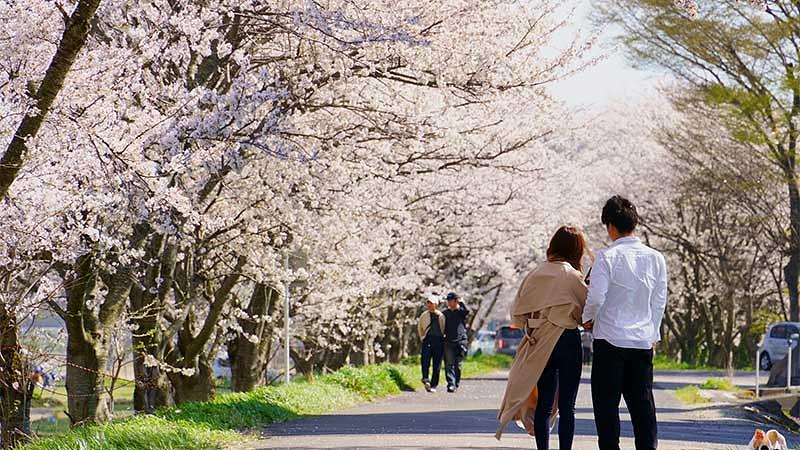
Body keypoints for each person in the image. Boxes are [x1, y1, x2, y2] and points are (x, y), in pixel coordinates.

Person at [582, 195, 668, 450]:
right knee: (643, 406)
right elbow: (659, 301)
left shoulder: (607, 257)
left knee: (607, 408)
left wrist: (587, 319)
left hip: (609, 340)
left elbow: (596, 296)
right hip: (641, 340)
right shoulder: (656, 258)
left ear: (609, 225)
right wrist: (652, 334)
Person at [496, 225, 588, 450]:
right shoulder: (572, 275)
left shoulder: (535, 273)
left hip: (540, 343)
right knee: (568, 406)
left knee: (544, 404)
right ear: (576, 250)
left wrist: (534, 322)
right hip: (567, 340)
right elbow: (587, 312)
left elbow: (517, 314)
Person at [417, 296, 445, 393]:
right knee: (425, 360)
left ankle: (434, 384)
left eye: (431, 303)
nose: (429, 305)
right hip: (427, 339)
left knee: (437, 364)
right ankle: (425, 378)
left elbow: (444, 327)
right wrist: (422, 337)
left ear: (436, 304)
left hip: (439, 340)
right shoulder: (424, 315)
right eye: (428, 303)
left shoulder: (441, 316)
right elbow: (420, 327)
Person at [442, 292, 469, 393]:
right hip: (448, 341)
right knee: (449, 364)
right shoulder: (445, 313)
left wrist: (461, 302)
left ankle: (456, 382)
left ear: (455, 301)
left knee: (458, 364)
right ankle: (451, 384)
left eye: (451, 300)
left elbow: (467, 312)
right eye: (448, 300)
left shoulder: (461, 312)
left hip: (460, 341)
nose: (449, 302)